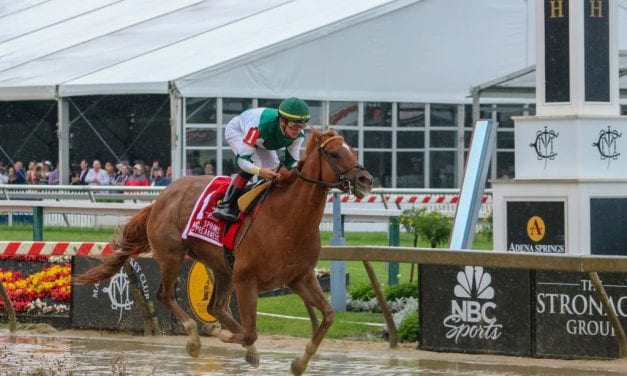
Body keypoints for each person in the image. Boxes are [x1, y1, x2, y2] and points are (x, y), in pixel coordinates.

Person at [213, 97, 309, 222]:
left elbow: (291, 162)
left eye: (302, 125)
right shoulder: (258, 128)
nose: (298, 130)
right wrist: (260, 171)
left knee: (276, 172)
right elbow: (242, 161)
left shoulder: (298, 136)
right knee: (254, 164)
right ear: (282, 121)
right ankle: (224, 205)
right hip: (239, 130)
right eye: (293, 124)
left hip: (262, 141)